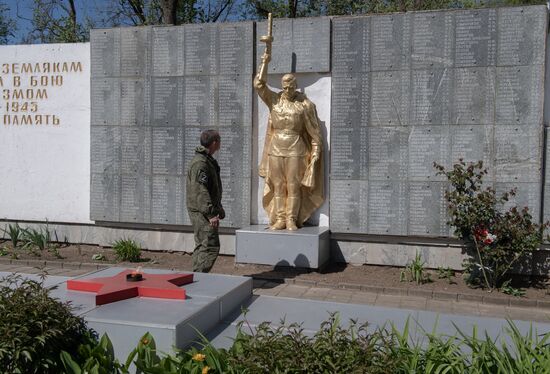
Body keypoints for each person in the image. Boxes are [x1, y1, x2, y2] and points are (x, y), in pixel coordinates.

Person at [253, 53, 324, 231]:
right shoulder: (274, 100)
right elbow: (259, 85)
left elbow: (315, 134)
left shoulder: (305, 106)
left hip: (296, 148)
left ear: (295, 86)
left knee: (293, 186)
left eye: (291, 86)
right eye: (285, 86)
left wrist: (315, 155)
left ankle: (292, 219)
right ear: (282, 87)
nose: (288, 89)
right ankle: (280, 219)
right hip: (276, 147)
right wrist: (265, 62)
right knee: (278, 185)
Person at [186, 129, 224, 273]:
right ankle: (199, 277)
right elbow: (200, 191)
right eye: (219, 141)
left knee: (203, 244)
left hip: (203, 209)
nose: (220, 144)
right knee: (210, 245)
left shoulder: (206, 160)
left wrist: (218, 208)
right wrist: (210, 214)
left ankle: (196, 276)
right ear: (214, 143)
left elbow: (210, 188)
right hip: (201, 211)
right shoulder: (201, 163)